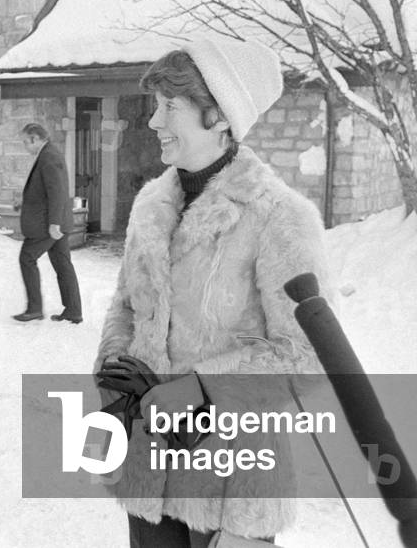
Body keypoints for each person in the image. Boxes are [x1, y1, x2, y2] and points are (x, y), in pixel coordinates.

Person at [95, 35, 330, 547]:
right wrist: (113, 367)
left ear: (219, 116)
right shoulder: (151, 204)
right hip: (149, 467)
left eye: (169, 107)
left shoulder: (279, 217)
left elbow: (306, 356)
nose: (154, 121)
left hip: (229, 480)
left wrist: (199, 387)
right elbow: (126, 307)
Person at [13, 123, 83, 323]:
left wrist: (54, 223)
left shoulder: (49, 157)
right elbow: (46, 191)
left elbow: (57, 192)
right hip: (53, 222)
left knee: (27, 258)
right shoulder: (48, 155)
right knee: (63, 265)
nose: (26, 147)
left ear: (35, 138)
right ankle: (73, 311)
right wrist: (24, 202)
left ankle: (34, 308)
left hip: (48, 225)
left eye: (26, 142)